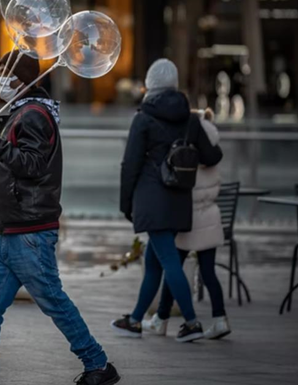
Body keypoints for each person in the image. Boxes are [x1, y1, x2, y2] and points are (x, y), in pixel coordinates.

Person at [0, 51, 121, 385]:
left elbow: (32, 166)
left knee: (53, 301)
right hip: (9, 232)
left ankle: (98, 365)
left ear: (22, 81)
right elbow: (14, 176)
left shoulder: (34, 115)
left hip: (30, 233)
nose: (0, 81)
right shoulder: (21, 113)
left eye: (5, 74)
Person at [111, 59, 223, 343]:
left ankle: (192, 322)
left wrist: (127, 205)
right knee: (154, 261)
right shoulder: (192, 119)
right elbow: (212, 156)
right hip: (180, 199)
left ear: (150, 85)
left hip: (152, 199)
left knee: (169, 261)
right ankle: (136, 319)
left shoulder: (144, 118)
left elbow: (130, 165)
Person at [142, 108, 231, 340]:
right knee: (209, 272)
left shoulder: (185, 154)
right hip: (210, 217)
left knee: (174, 271)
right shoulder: (212, 153)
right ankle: (220, 319)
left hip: (188, 219)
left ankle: (161, 319)